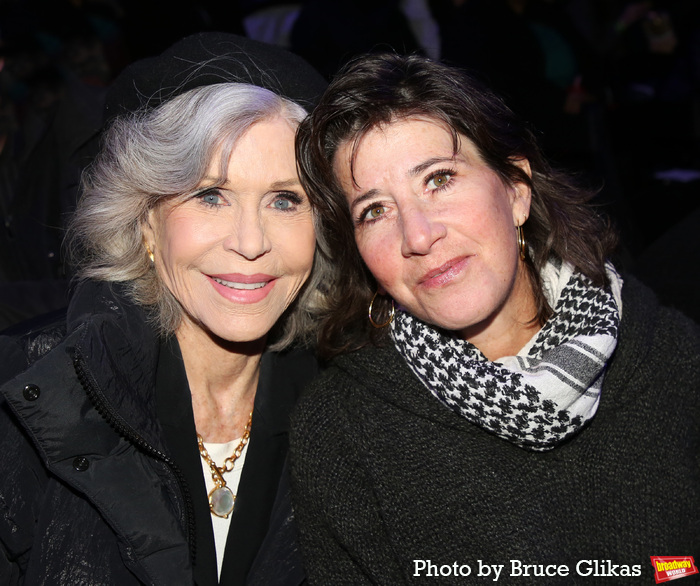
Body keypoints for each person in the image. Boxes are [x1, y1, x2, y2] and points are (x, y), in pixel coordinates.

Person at [289, 52, 700, 584]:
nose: (418, 236)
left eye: (438, 179)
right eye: (375, 210)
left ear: (516, 190)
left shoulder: (672, 358)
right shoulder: (341, 434)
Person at [0, 32, 329, 585]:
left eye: (285, 199)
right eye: (210, 195)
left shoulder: (357, 412)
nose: (250, 242)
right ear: (146, 221)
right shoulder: (25, 399)